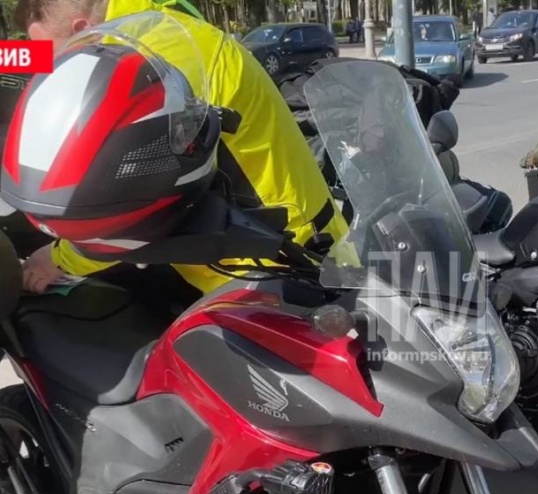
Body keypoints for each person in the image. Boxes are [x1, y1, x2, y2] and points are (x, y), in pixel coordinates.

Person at [10, 0, 349, 308]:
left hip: (282, 270)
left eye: (56, 55)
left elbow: (123, 210)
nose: (55, 69)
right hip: (262, 250)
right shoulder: (156, 26)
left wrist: (59, 259)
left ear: (83, 29)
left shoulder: (147, 58)